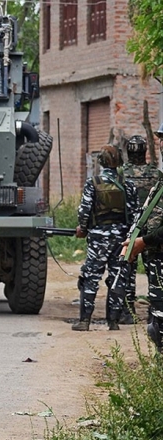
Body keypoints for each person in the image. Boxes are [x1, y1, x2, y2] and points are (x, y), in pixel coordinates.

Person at [73, 145, 139, 331]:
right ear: (119, 161)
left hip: (98, 239)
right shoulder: (128, 185)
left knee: (91, 277)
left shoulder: (93, 183)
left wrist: (83, 229)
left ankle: (84, 321)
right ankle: (113, 322)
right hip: (121, 239)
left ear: (100, 161)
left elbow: (84, 211)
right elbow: (135, 215)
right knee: (118, 278)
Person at [117, 135, 162, 324]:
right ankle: (155, 310)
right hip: (153, 227)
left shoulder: (121, 173)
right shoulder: (156, 174)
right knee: (155, 271)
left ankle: (128, 311)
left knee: (127, 269)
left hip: (129, 225)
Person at [123, 181, 163, 353]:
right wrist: (133, 241)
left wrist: (143, 242)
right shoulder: (159, 184)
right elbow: (143, 215)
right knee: (158, 323)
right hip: (156, 258)